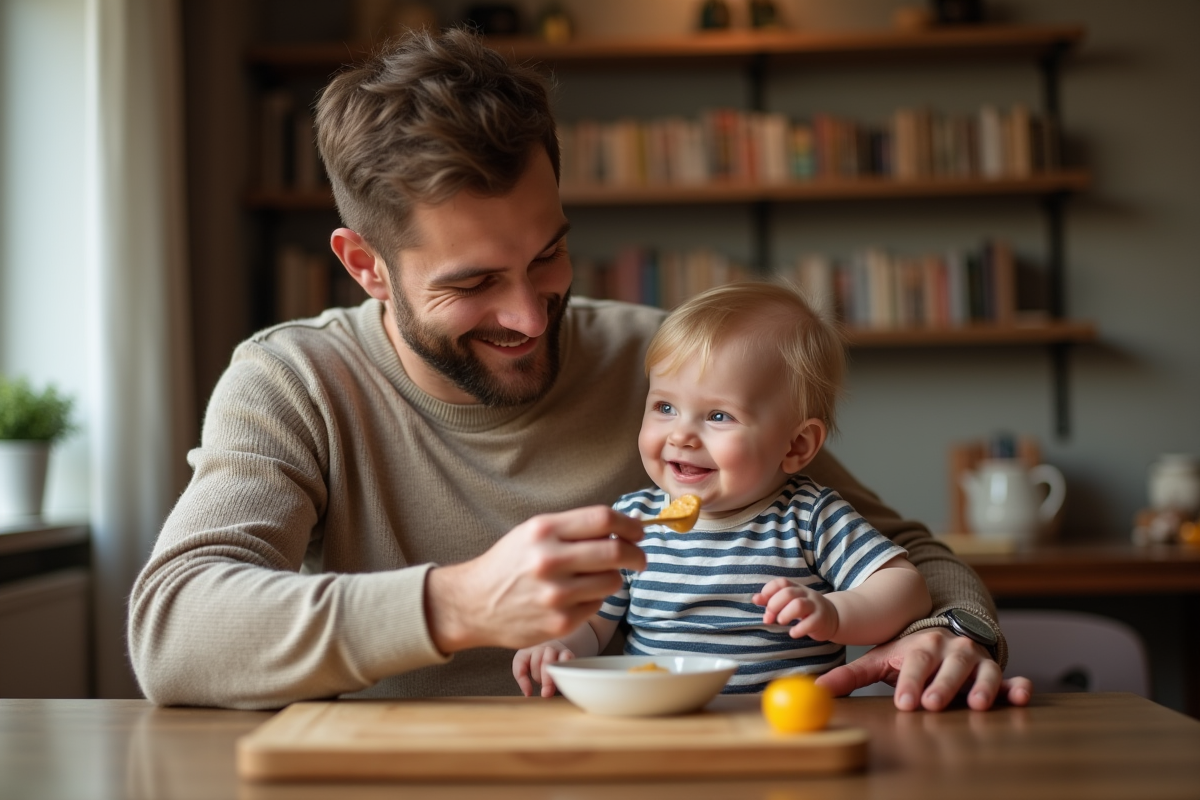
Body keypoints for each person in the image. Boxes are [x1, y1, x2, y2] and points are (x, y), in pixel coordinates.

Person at [127, 29, 1030, 712]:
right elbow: (173, 631)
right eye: (475, 282)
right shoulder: (295, 383)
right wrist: (457, 606)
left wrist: (946, 633)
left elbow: (907, 556)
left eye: (549, 255)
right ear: (367, 266)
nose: (528, 317)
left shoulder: (668, 362)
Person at [514, 283, 933, 696]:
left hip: (785, 731)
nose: (681, 435)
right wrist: (560, 645)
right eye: (665, 407)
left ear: (797, 445)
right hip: (667, 728)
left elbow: (905, 590)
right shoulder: (633, 522)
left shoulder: (809, 517)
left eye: (718, 415)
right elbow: (592, 622)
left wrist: (835, 613)